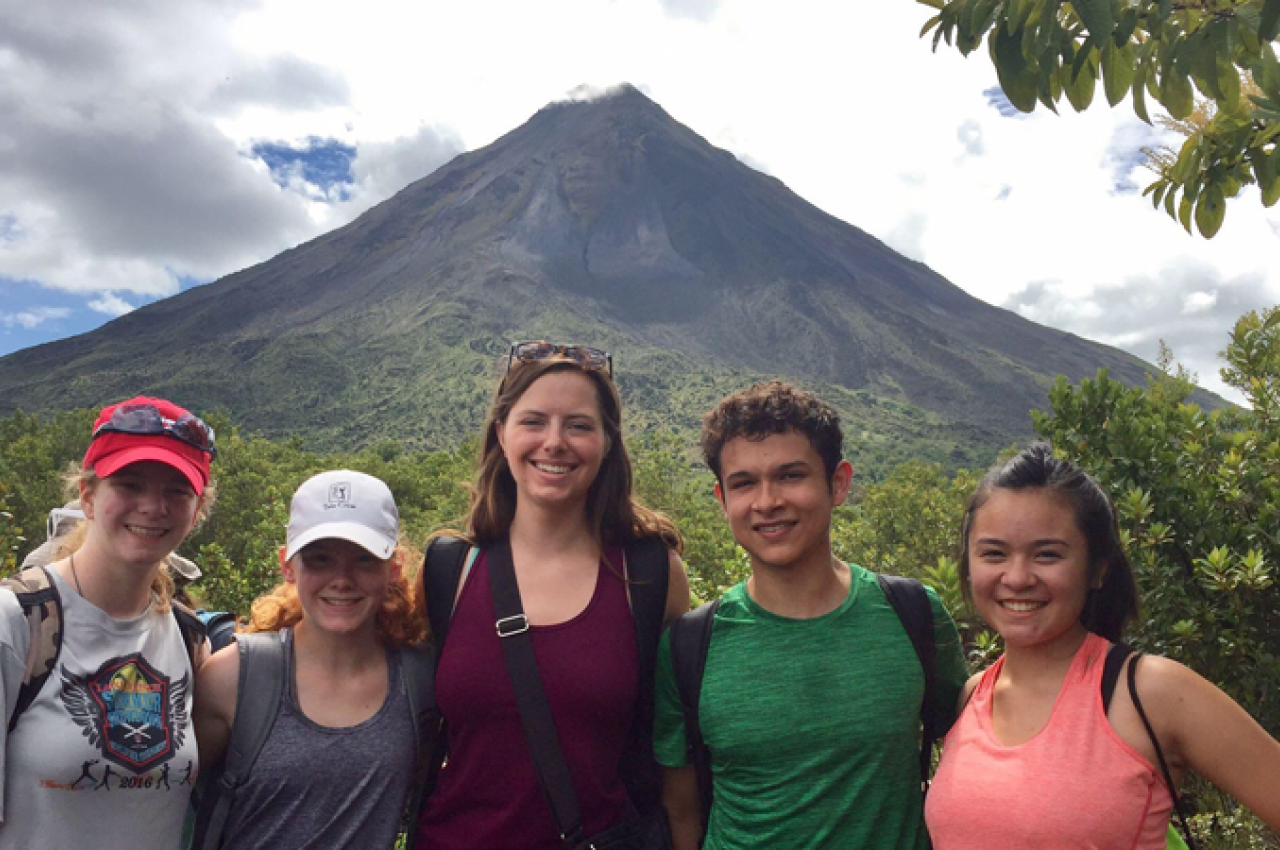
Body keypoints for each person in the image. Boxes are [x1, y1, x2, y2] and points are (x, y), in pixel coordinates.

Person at [655, 380, 968, 850]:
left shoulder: (914, 614)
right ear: (722, 502)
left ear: (838, 483)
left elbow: (977, 758)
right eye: (744, 483)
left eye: (791, 475)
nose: (767, 502)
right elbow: (682, 814)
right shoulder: (687, 647)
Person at [925, 444, 1280, 848]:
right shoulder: (972, 697)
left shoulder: (1150, 691)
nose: (1018, 577)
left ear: (1097, 570)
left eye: (1047, 554)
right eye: (993, 553)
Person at [414, 341, 690, 850]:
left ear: (608, 440)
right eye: (534, 421)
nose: (555, 442)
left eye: (579, 425)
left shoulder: (649, 575)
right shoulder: (450, 570)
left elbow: (679, 744)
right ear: (502, 434)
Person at [0, 395, 217, 848]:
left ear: (196, 511)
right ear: (88, 496)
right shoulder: (18, 622)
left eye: (176, 491)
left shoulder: (188, 638)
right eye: (130, 484)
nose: (152, 507)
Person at [193, 469, 427, 850]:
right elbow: (159, 803)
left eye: (364, 560)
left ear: (394, 569)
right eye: (320, 560)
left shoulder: (418, 681)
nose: (342, 579)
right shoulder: (233, 678)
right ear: (287, 565)